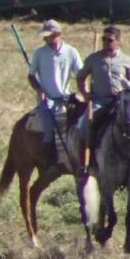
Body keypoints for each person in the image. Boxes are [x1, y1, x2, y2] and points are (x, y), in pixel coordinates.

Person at [79, 25, 130, 176]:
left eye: (109, 40)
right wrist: (85, 93)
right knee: (85, 125)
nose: (105, 42)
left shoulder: (127, 61)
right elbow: (81, 77)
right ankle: (85, 163)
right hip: (100, 100)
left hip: (121, 101)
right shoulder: (94, 59)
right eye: (103, 39)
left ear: (118, 41)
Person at [26, 19, 83, 167]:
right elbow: (31, 76)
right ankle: (50, 160)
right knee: (49, 129)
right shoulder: (40, 53)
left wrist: (84, 91)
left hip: (66, 98)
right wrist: (40, 90)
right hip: (47, 100)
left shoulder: (71, 52)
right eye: (44, 36)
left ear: (58, 34)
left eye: (48, 36)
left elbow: (80, 74)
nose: (45, 39)